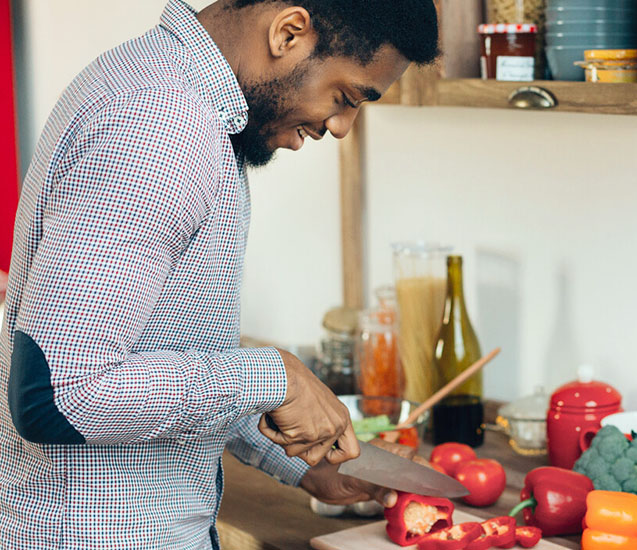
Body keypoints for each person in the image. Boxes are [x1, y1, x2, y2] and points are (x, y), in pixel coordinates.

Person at [0, 0, 439, 548]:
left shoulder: (173, 96)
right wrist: (272, 376)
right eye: (345, 97)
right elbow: (60, 395)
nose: (342, 127)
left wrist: (303, 465)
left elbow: (165, 355)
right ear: (289, 32)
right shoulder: (159, 126)